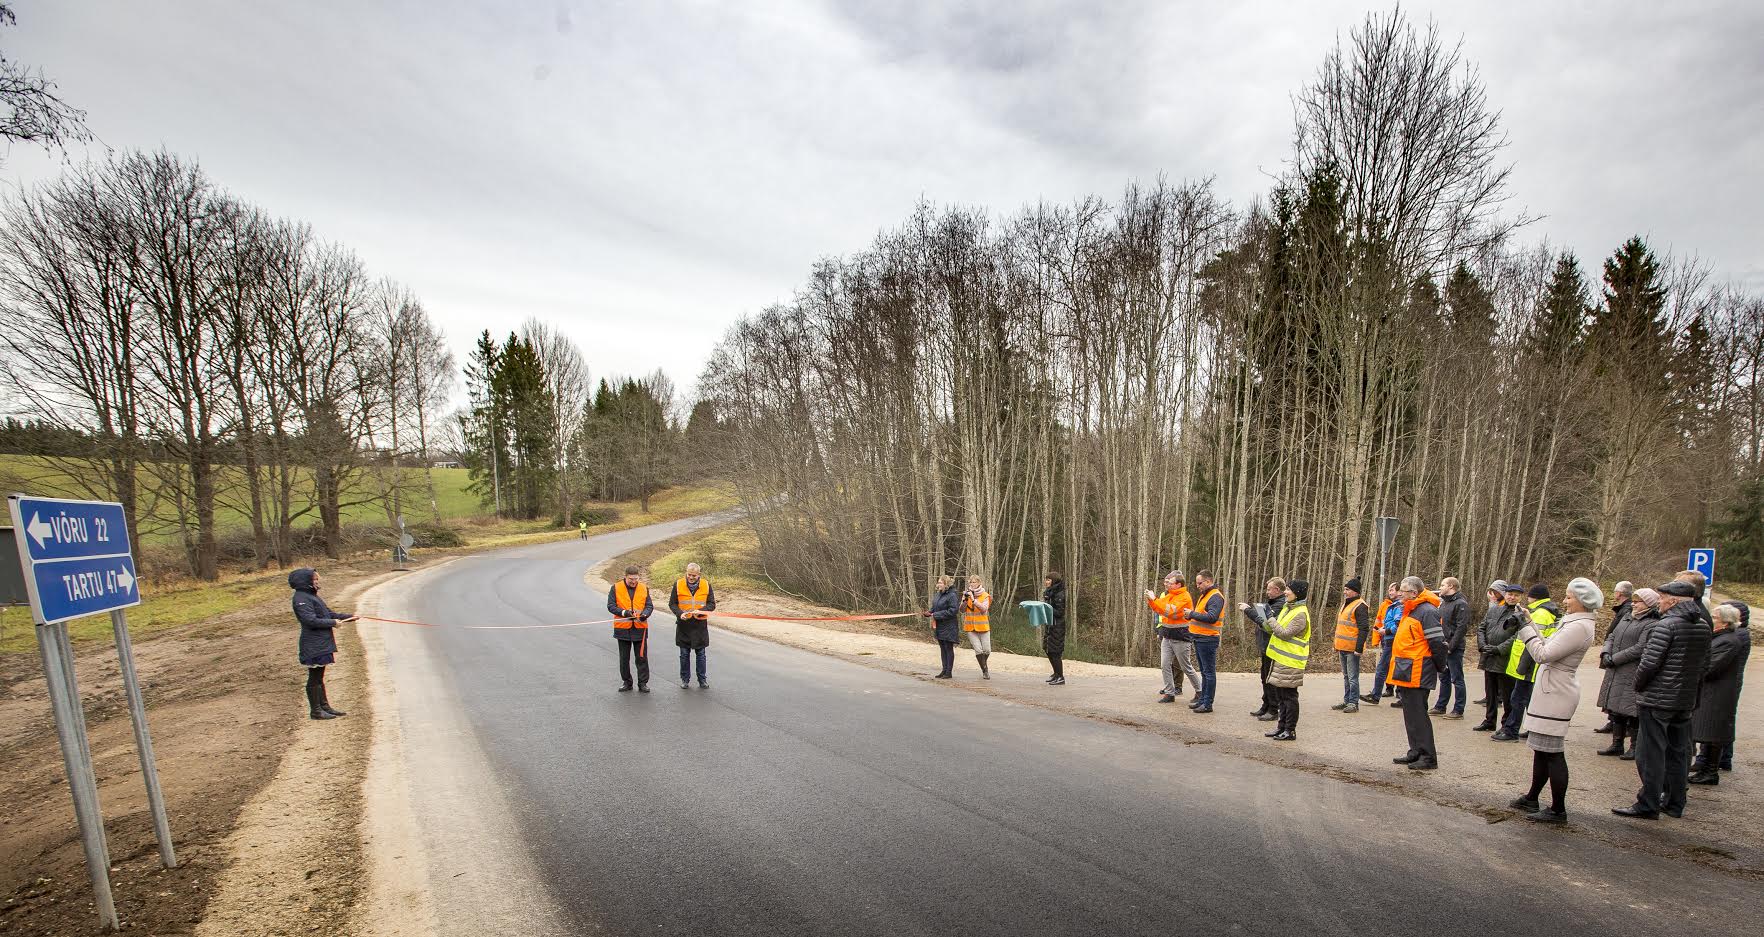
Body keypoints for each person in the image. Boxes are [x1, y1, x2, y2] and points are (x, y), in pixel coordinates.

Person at [1613, 580, 1712, 819]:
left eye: (1662, 597)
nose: (1659, 601)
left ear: (1673, 601)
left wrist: (1639, 687)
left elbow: (1649, 664)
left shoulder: (1665, 626)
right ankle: (1675, 802)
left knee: (1650, 753)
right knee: (1679, 752)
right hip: (1684, 700)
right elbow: (1704, 665)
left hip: (1657, 699)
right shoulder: (1702, 625)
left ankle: (1648, 803)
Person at [1507, 577, 1599, 823]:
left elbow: (1543, 654)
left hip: (1557, 692)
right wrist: (1528, 622)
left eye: (1569, 597)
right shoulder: (1573, 622)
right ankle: (1532, 797)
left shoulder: (1579, 626)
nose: (1566, 601)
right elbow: (1549, 644)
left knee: (1553, 752)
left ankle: (1558, 809)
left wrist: (1524, 629)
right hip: (1551, 689)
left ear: (1582, 601)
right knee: (1541, 749)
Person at [1386, 576, 1450, 770]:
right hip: (1406, 669)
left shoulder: (1427, 612)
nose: (1399, 594)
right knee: (1411, 715)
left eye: (1403, 591)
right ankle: (1415, 751)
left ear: (1413, 593)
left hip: (1419, 670)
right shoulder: (1411, 609)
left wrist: (1440, 666)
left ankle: (1428, 756)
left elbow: (1438, 643)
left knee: (1418, 715)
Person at [1689, 604, 1750, 785]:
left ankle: (1711, 771)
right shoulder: (1721, 638)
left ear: (1724, 622)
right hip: (1714, 691)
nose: (1711, 620)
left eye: (1714, 617)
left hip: (1718, 693)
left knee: (1714, 732)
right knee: (1709, 730)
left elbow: (1711, 667)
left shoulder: (1728, 641)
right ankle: (1705, 768)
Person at [1493, 582, 1560, 742]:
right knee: (1528, 698)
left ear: (1532, 597)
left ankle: (1511, 731)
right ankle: (1532, 729)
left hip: (1529, 663)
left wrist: (1524, 666)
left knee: (1518, 698)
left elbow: (1534, 641)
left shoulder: (1540, 613)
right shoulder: (1546, 611)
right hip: (1530, 662)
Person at [1596, 586, 1657, 758]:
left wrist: (1615, 658)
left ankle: (1635, 747)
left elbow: (1640, 648)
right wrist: (1606, 653)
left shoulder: (1651, 623)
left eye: (1639, 602)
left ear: (1649, 604)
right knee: (1615, 707)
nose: (1635, 605)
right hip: (1615, 669)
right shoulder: (1627, 617)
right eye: (1635, 601)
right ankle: (1617, 744)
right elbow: (1611, 636)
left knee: (1631, 709)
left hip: (1631, 670)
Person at [290, 568, 355, 720]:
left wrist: (350, 617)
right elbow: (309, 620)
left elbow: (327, 613)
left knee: (319, 677)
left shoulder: (312, 596)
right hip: (313, 644)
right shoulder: (301, 598)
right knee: (314, 677)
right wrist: (333, 623)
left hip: (321, 642)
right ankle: (316, 711)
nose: (317, 582)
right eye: (314, 580)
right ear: (305, 582)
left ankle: (325, 707)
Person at [1263, 579, 1311, 741]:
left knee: (1289, 697)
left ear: (1297, 593)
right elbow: (1275, 628)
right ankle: (1281, 727)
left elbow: (1284, 633)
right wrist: (1267, 620)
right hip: (1281, 660)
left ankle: (1290, 730)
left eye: (1289, 590)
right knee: (1281, 696)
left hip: (1291, 662)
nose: (1285, 592)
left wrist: (1270, 618)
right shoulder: (1288, 608)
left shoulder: (1300, 614)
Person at [1472, 580, 1522, 732]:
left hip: (1505, 659)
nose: (1512, 597)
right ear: (1505, 595)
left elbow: (1518, 636)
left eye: (1516, 595)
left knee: (1507, 694)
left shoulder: (1520, 614)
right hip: (1488, 656)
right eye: (1510, 594)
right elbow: (1481, 628)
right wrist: (1482, 645)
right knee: (1490, 693)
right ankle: (1489, 720)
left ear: (1520, 597)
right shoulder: (1494, 610)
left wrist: (1499, 649)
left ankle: (1506, 723)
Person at [1238, 577, 1287, 721]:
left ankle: (1273, 709)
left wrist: (1248, 610)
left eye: (1269, 589)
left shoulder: (1280, 605)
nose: (1267, 592)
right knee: (1264, 677)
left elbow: (1266, 623)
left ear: (1277, 590)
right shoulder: (1273, 603)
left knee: (1270, 679)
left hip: (1273, 646)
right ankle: (1266, 705)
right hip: (1265, 645)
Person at [1146, 571, 1197, 702]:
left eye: (1170, 583)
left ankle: (1200, 691)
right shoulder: (1169, 595)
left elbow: (1170, 611)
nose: (1167, 584)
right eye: (1167, 582)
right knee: (1164, 665)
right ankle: (1169, 693)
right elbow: (1159, 609)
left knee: (1186, 667)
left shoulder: (1184, 597)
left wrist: (1155, 599)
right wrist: (1151, 600)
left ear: (1178, 584)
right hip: (1167, 635)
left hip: (1181, 636)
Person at [1593, 581, 1635, 733]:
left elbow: (1618, 634)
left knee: (1616, 690)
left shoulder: (1627, 609)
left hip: (1618, 656)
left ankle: (1618, 723)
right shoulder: (1625, 609)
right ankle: (1614, 721)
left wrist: (1612, 654)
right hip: (1613, 653)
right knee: (1612, 689)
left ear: (1619, 593)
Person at [668, 562, 717, 689]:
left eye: (694, 576)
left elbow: (712, 604)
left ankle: (702, 680)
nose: (691, 577)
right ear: (686, 573)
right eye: (689, 575)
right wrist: (680, 614)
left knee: (701, 654)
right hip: (684, 625)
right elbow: (672, 604)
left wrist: (701, 611)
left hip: (700, 625)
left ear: (698, 575)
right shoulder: (678, 584)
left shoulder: (706, 585)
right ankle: (685, 679)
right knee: (684, 654)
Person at [1184, 570, 1225, 713]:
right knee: (1204, 672)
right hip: (1200, 637)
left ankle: (1207, 703)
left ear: (1208, 581)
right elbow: (1202, 616)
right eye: (1197, 583)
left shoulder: (1215, 597)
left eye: (1200, 583)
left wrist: (1192, 614)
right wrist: (1191, 616)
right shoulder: (1205, 595)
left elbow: (1212, 617)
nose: (1198, 586)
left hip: (1208, 639)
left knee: (1208, 672)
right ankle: (1202, 700)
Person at [608, 566, 654, 692]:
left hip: (640, 628)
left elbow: (649, 605)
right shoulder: (616, 588)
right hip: (622, 628)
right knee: (624, 658)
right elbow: (611, 606)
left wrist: (645, 614)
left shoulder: (644, 588)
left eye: (635, 579)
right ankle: (627, 682)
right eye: (630, 579)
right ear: (625, 577)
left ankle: (643, 683)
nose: (633, 581)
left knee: (641, 657)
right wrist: (624, 613)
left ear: (638, 577)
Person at [1430, 577, 1470, 718]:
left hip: (1454, 648)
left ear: (1451, 586)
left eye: (1443, 585)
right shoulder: (1444, 604)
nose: (1440, 588)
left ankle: (1458, 709)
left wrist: (1451, 646)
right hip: (1442, 645)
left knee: (1457, 678)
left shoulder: (1460, 603)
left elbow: (1461, 627)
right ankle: (1441, 706)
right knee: (1444, 678)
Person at [1332, 577, 1370, 713]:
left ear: (1355, 591)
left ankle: (1353, 702)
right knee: (1347, 676)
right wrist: (1336, 644)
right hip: (1343, 646)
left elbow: (1364, 628)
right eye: (1345, 589)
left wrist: (1359, 648)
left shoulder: (1360, 606)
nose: (1344, 592)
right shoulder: (1345, 604)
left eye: (1347, 589)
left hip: (1352, 649)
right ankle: (1347, 700)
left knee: (1353, 677)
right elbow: (1341, 627)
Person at [1361, 583, 1402, 704]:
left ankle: (1376, 695)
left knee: (1383, 668)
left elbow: (1398, 624)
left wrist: (1386, 630)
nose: (1390, 592)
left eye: (1392, 590)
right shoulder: (1389, 605)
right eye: (1389, 589)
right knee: (1389, 667)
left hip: (1392, 638)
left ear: (1399, 592)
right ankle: (1383, 694)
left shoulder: (1398, 606)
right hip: (1388, 638)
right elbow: (1384, 620)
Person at [924, 575, 962, 679]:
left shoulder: (952, 595)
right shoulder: (938, 594)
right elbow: (934, 608)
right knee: (942, 648)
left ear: (946, 584)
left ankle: (948, 672)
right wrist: (929, 612)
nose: (938, 584)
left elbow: (953, 611)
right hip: (939, 625)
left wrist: (936, 615)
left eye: (940, 582)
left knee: (948, 647)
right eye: (938, 582)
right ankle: (943, 670)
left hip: (949, 625)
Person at [962, 575, 994, 679]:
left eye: (974, 582)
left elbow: (984, 609)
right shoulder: (966, 594)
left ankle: (983, 665)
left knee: (987, 650)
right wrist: (965, 600)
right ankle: (985, 671)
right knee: (978, 650)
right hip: (970, 627)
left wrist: (974, 599)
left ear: (979, 583)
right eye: (971, 582)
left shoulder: (985, 596)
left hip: (983, 627)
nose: (972, 584)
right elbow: (961, 610)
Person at [1042, 572, 1068, 685]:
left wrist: (1047, 608)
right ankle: (1056, 674)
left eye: (1048, 580)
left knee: (1055, 652)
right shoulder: (1050, 592)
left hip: (1057, 626)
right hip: (1049, 625)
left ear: (1054, 581)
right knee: (1047, 650)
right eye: (1046, 580)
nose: (1046, 582)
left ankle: (1060, 677)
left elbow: (1059, 612)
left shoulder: (1060, 594)